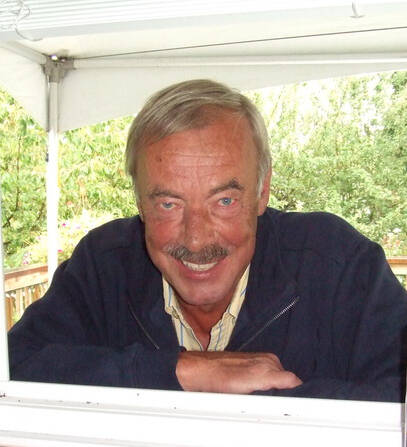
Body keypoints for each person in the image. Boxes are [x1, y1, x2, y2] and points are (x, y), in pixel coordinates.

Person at [8, 79, 407, 401]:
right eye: (168, 204)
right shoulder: (103, 264)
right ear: (140, 203)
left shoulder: (338, 263)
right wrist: (185, 371)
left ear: (262, 191)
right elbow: (14, 367)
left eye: (224, 201)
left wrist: (248, 402)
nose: (196, 239)